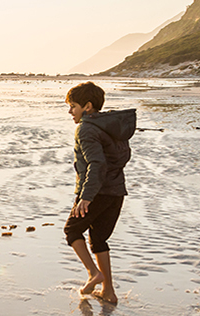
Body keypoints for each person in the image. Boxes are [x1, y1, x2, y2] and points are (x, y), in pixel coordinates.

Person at [63, 82, 135, 304]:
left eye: (73, 106)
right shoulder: (111, 127)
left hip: (96, 192)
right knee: (98, 238)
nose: (70, 111)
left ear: (87, 106)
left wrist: (86, 196)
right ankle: (108, 291)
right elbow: (120, 158)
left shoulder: (86, 128)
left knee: (72, 231)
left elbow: (96, 163)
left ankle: (94, 273)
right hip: (116, 192)